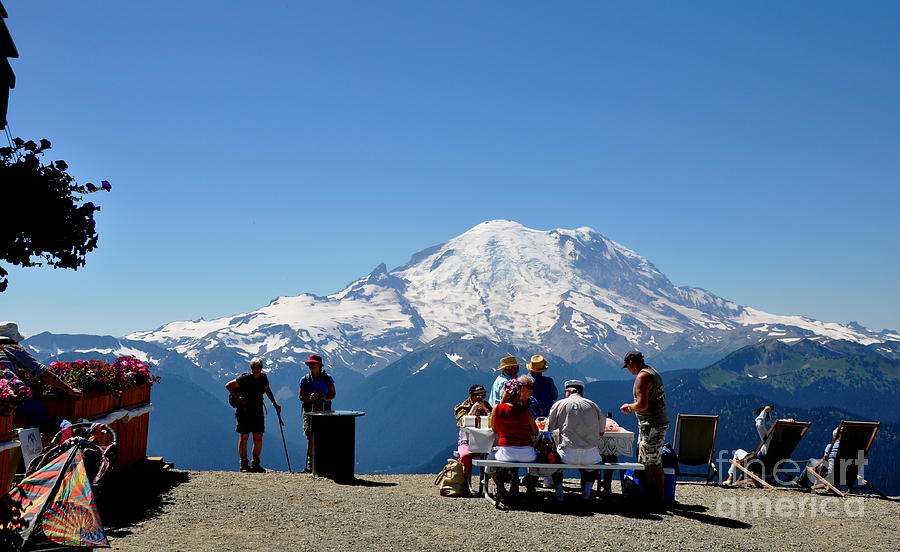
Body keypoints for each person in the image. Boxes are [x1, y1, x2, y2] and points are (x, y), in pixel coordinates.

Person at [0, 321, 82, 433]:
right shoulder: (12, 348)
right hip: (17, 396)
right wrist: (69, 390)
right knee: (52, 423)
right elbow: (42, 372)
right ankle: (70, 441)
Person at [620, 350, 669, 505]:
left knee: (647, 463)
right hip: (658, 422)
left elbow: (642, 404)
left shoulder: (642, 376)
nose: (629, 370)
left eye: (628, 366)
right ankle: (656, 497)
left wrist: (629, 406)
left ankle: (651, 499)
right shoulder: (653, 372)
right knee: (655, 461)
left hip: (651, 424)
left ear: (632, 363)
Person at [547, 379, 606, 502]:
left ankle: (559, 494)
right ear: (581, 392)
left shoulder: (559, 404)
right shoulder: (592, 405)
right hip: (590, 455)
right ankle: (586, 493)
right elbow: (601, 431)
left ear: (567, 392)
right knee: (593, 463)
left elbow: (549, 428)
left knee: (554, 460)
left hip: (567, 454)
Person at [225, 357, 281, 473]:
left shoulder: (263, 378)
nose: (256, 370)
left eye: (259, 367)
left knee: (258, 436)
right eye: (255, 367)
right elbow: (229, 385)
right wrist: (238, 398)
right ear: (251, 368)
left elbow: (267, 390)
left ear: (261, 368)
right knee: (244, 436)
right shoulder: (245, 378)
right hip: (244, 410)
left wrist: (275, 403)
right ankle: (244, 463)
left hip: (257, 410)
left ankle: (255, 463)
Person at [489, 379, 538, 501]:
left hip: (506, 452)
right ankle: (518, 481)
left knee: (490, 455)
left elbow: (494, 428)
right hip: (528, 454)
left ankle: (501, 489)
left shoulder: (498, 408)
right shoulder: (525, 411)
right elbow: (535, 432)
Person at [722, 404, 793, 485]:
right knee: (752, 455)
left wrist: (764, 411)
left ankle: (730, 479)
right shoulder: (788, 444)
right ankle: (746, 479)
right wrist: (788, 422)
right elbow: (780, 427)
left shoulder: (770, 442)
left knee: (738, 452)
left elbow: (759, 424)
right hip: (776, 466)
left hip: (759, 466)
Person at [298, 353, 336, 473]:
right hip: (312, 410)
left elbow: (333, 394)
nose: (310, 366)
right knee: (310, 436)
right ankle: (312, 463)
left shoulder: (327, 378)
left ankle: (319, 462)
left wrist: (326, 398)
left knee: (323, 436)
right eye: (310, 364)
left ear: (319, 365)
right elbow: (300, 396)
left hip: (321, 409)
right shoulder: (305, 379)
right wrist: (310, 398)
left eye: (312, 364)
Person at [453, 384, 492, 483]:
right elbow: (461, 422)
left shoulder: (487, 405)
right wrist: (473, 410)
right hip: (467, 441)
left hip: (485, 440)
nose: (481, 398)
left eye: (483, 396)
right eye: (478, 396)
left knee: (497, 455)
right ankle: (464, 480)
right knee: (465, 455)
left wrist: (486, 410)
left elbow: (493, 421)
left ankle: (494, 482)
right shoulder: (462, 407)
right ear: (472, 396)